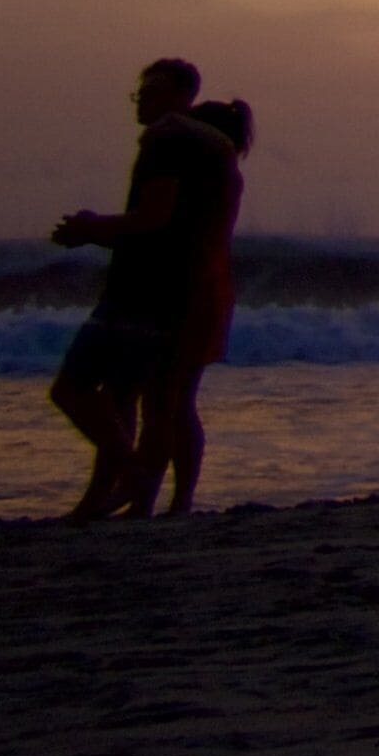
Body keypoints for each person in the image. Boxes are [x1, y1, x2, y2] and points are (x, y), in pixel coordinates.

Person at [48, 58, 240, 522]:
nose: (141, 100)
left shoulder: (169, 140)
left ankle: (139, 483)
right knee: (139, 399)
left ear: (181, 95)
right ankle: (132, 499)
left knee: (93, 392)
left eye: (150, 90)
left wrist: (92, 229)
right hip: (185, 290)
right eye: (139, 92)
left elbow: (156, 219)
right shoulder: (216, 155)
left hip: (152, 290)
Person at [126, 96, 254, 516]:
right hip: (204, 292)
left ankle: (158, 497)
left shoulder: (216, 177)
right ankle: (171, 498)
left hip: (194, 293)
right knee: (172, 402)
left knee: (166, 402)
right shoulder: (221, 175)